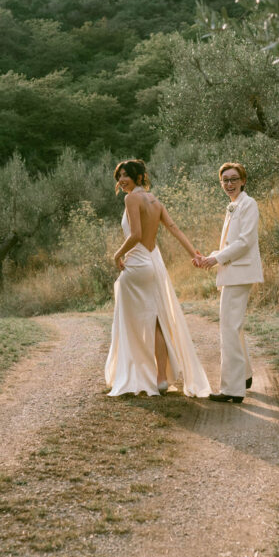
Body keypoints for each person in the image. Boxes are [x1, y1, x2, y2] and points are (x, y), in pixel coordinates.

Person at [105, 159, 211, 399]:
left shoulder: (132, 199)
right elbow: (174, 229)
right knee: (156, 320)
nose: (121, 180)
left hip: (138, 264)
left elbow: (136, 235)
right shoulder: (155, 201)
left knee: (132, 321)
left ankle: (138, 373)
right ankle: (160, 378)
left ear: (138, 177)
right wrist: (194, 254)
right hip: (154, 263)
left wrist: (116, 254)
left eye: (126, 175)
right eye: (119, 176)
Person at [195, 162, 263, 404]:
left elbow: (245, 242)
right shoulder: (234, 206)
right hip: (233, 273)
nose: (229, 184)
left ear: (243, 180)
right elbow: (229, 245)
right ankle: (243, 376)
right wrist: (209, 258)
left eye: (234, 179)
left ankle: (232, 389)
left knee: (229, 329)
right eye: (225, 180)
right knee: (235, 327)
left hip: (240, 275)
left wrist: (216, 258)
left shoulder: (249, 204)